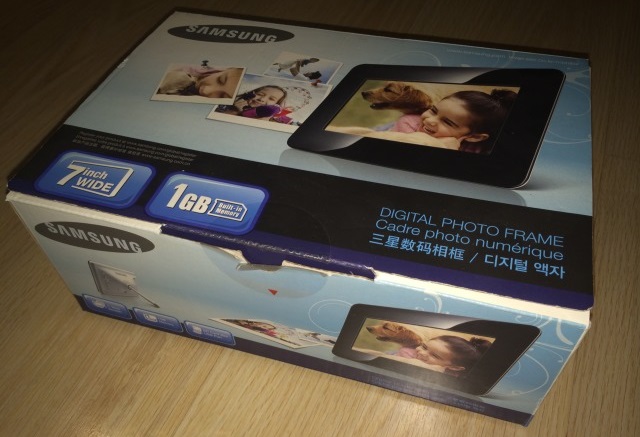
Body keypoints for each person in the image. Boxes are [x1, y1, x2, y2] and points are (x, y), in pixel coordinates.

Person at [328, 88, 517, 152]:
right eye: (433, 110)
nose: (430, 120)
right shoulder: (409, 123)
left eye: (448, 122)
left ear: (475, 137)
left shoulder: (478, 148)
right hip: (389, 132)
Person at [412, 335, 493, 376]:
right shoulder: (411, 350)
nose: (422, 353)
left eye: (435, 356)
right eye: (424, 347)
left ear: (455, 367)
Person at [157, 65, 243, 99]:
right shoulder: (183, 74)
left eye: (222, 97)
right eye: (219, 79)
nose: (206, 90)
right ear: (220, 71)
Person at [215, 85, 288, 119]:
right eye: (260, 94)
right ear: (251, 94)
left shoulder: (265, 118)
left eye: (271, 99)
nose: (261, 99)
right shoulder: (226, 105)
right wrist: (235, 110)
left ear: (276, 105)